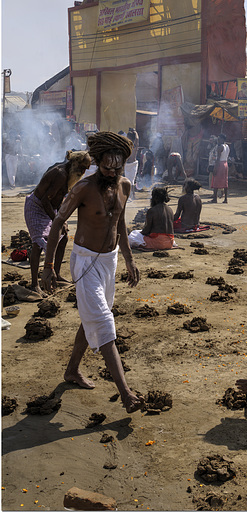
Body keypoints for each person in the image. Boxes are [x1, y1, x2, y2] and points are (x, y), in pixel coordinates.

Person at [41, 131, 142, 414]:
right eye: (106, 167)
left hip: (109, 262)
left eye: (117, 167)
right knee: (103, 321)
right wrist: (49, 268)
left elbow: (120, 225)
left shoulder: (125, 185)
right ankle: (126, 393)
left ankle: (72, 370)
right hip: (85, 262)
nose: (111, 172)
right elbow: (58, 223)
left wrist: (129, 260)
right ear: (97, 162)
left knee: (92, 316)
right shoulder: (82, 188)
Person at [24, 150, 91, 295]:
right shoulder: (60, 173)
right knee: (38, 243)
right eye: (82, 168)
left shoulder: (68, 173)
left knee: (64, 237)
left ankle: (57, 275)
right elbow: (45, 200)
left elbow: (59, 198)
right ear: (75, 163)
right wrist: (56, 221)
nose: (83, 172)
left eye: (86, 169)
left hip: (50, 208)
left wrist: (62, 219)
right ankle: (35, 284)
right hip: (36, 207)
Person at [129, 185, 176, 250]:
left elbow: (146, 231)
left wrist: (141, 233)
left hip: (157, 243)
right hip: (170, 242)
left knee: (133, 234)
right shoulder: (170, 209)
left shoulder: (152, 210)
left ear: (155, 198)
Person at [211, 134, 229, 204]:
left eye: (219, 139)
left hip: (220, 164)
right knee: (225, 181)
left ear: (222, 139)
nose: (218, 140)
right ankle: (226, 199)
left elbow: (218, 158)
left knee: (216, 181)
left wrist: (215, 167)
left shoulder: (220, 147)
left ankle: (215, 198)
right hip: (225, 163)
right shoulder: (227, 146)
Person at [125, 128, 139, 199]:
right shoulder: (126, 146)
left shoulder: (134, 146)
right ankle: (129, 195)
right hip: (127, 165)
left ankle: (132, 195)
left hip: (132, 165)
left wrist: (135, 132)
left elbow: (137, 139)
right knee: (127, 180)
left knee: (131, 181)